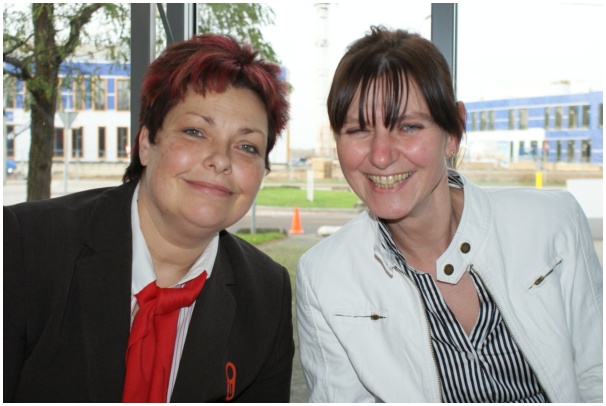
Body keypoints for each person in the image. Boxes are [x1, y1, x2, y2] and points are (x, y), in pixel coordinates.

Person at [296, 26, 602, 403]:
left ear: (453, 131)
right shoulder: (324, 277)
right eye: (358, 129)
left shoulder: (552, 224)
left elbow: (596, 374)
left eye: (408, 126)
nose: (380, 155)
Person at [4, 33, 294, 403]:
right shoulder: (23, 247)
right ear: (145, 143)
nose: (221, 159)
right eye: (195, 132)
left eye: (247, 146)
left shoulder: (265, 294)